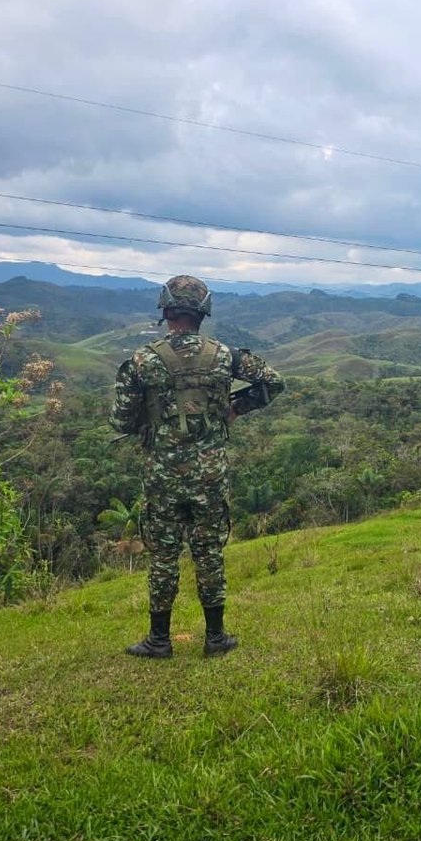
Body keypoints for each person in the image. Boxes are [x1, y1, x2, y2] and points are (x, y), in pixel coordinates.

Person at [110, 275, 283, 658]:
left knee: (163, 556)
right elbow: (272, 382)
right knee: (209, 552)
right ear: (203, 312)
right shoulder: (225, 356)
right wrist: (235, 408)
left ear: (166, 310)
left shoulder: (142, 360)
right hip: (209, 475)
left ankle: (159, 640)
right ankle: (215, 637)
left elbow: (120, 420)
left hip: (162, 476)